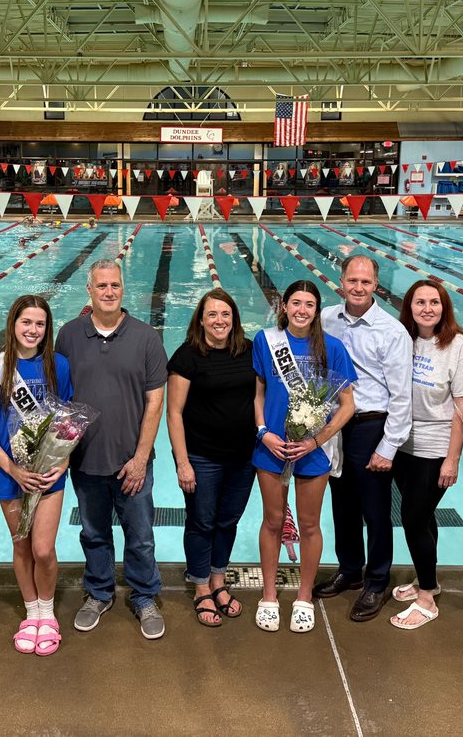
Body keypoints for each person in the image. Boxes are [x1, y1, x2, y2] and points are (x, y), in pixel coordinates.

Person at [55, 260, 168, 639]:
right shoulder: (69, 336)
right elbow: (60, 400)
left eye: (115, 285)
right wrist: (61, 452)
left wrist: (140, 458)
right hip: (86, 461)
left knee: (140, 535)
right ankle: (99, 592)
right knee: (94, 533)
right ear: (89, 290)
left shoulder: (146, 337)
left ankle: (144, 595)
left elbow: (155, 402)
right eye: (101, 285)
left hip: (132, 461)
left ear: (123, 289)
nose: (109, 291)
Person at [0, 296, 74, 655]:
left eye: (40, 324)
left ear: (48, 329)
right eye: (26, 322)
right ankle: (31, 614)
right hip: (8, 475)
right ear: (13, 324)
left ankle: (47, 611)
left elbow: (69, 422)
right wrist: (12, 467)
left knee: (43, 549)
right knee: (22, 546)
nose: (32, 330)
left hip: (48, 474)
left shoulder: (58, 367)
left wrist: (63, 462)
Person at [255, 280, 357, 633]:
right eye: (295, 302)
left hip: (313, 450)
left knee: (310, 525)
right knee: (272, 522)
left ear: (317, 310)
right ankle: (269, 595)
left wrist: (317, 442)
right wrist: (263, 432)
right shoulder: (265, 341)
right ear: (284, 305)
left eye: (309, 304)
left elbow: (348, 406)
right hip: (272, 446)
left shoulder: (333, 347)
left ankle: (302, 597)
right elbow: (258, 393)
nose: (301, 310)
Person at [314, 256, 410, 624]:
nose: (358, 287)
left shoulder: (391, 331)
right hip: (337, 423)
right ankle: (350, 569)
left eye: (365, 282)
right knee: (342, 503)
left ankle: (377, 580)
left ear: (376, 286)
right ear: (341, 281)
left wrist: (388, 447)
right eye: (352, 280)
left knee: (375, 508)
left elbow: (402, 396)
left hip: (372, 423)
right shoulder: (327, 320)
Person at [388, 281, 463, 630]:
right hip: (401, 445)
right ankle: (431, 581)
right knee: (423, 517)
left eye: (434, 302)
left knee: (411, 518)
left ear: (445, 307)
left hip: (435, 448)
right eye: (420, 302)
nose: (427, 308)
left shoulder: (459, 346)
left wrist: (452, 459)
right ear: (409, 307)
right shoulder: (402, 340)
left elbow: (462, 408)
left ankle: (426, 598)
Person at [166, 288, 256, 628]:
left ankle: (218, 579)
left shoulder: (248, 351)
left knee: (227, 521)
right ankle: (200, 585)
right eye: (212, 314)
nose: (219, 320)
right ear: (201, 320)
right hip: (202, 458)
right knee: (201, 521)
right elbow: (173, 413)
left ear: (234, 319)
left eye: (225, 314)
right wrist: (182, 461)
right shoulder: (187, 356)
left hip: (243, 458)